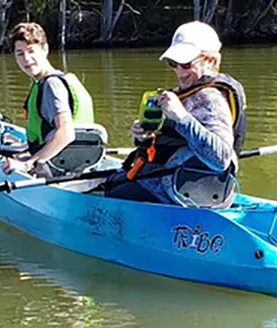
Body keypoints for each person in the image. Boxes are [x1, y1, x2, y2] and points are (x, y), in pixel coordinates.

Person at [102, 21, 247, 208]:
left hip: (176, 192)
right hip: (177, 188)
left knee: (107, 189)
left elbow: (220, 159)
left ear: (210, 61)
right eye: (174, 63)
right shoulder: (188, 93)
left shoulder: (211, 99)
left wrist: (181, 117)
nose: (179, 71)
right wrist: (144, 138)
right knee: (116, 180)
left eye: (186, 64)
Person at [1, 22, 96, 178]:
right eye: (20, 53)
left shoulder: (52, 85)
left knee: (6, 163)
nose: (26, 59)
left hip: (56, 168)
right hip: (80, 164)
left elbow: (66, 133)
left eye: (31, 51)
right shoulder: (56, 80)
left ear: (45, 49)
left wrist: (27, 163)